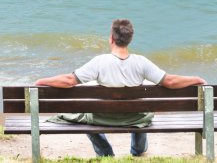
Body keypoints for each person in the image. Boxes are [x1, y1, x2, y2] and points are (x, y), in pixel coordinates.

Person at [35, 19, 207, 157]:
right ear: (130, 39)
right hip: (135, 118)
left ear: (111, 38)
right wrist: (196, 78)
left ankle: (105, 152)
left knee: (85, 115)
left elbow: (69, 81)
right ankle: (138, 150)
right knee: (143, 112)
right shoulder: (142, 62)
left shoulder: (99, 62)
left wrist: (42, 81)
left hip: (102, 117)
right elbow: (169, 81)